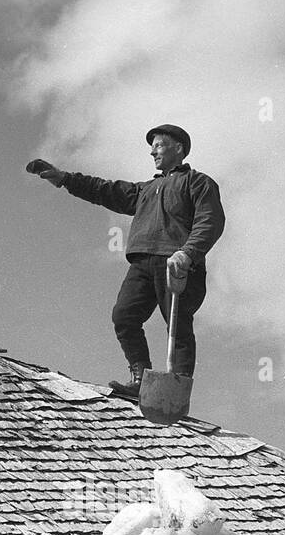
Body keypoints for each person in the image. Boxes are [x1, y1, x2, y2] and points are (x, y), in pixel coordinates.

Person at [28, 125, 225, 393]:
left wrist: (187, 252)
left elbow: (210, 221)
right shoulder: (146, 189)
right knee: (124, 316)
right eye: (152, 147)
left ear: (178, 148)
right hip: (142, 262)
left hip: (177, 263)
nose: (152, 151)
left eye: (158, 145)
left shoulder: (198, 182)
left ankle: (177, 387)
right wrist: (64, 179)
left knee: (177, 325)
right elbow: (106, 190)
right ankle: (141, 379)